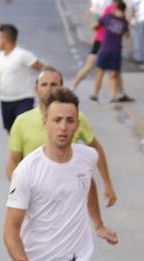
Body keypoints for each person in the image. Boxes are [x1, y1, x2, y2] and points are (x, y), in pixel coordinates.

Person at [4, 87, 118, 261]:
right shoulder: (26, 170)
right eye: (57, 120)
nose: (63, 127)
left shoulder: (88, 157)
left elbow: (88, 184)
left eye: (69, 120)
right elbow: (10, 230)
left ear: (77, 125)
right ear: (45, 123)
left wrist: (99, 224)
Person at [7, 68, 117, 209]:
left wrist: (108, 184)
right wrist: (19, 189)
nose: (49, 89)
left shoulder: (76, 118)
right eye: (44, 84)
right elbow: (13, 162)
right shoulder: (22, 121)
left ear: (61, 88)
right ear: (36, 89)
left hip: (69, 196)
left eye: (54, 84)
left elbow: (96, 148)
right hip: (35, 196)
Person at [0, 23, 44, 132]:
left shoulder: (23, 55)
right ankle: (16, 149)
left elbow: (42, 69)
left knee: (23, 128)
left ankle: (27, 148)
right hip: (5, 100)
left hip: (23, 100)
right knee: (10, 130)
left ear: (6, 39)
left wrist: (41, 85)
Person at [71, 0, 117, 90]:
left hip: (99, 34)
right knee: (111, 70)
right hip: (107, 41)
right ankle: (114, 95)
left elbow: (92, 7)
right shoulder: (111, 7)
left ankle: (73, 86)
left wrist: (87, 19)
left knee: (90, 65)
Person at [90, 0, 131, 102]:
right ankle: (113, 96)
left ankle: (96, 94)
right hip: (115, 51)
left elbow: (95, 26)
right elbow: (127, 35)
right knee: (113, 75)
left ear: (116, 8)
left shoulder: (108, 17)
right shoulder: (124, 22)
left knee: (101, 73)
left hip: (106, 49)